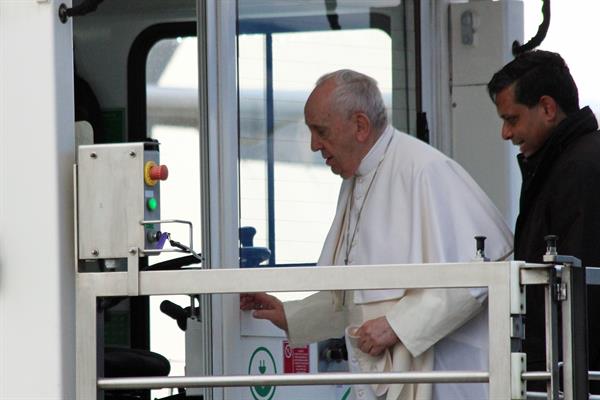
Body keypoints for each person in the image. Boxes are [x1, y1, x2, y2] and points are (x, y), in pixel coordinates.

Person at [241, 69, 513, 400]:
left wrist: (398, 325)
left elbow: (481, 275)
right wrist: (292, 315)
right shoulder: (357, 177)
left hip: (446, 380)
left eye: (321, 132)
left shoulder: (425, 170)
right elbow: (361, 296)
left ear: (360, 126)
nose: (314, 146)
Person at [487, 49, 600, 393]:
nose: (506, 133)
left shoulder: (578, 169)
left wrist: (568, 378)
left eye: (512, 119)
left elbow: (583, 284)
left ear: (548, 108)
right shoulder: (564, 163)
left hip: (571, 375)